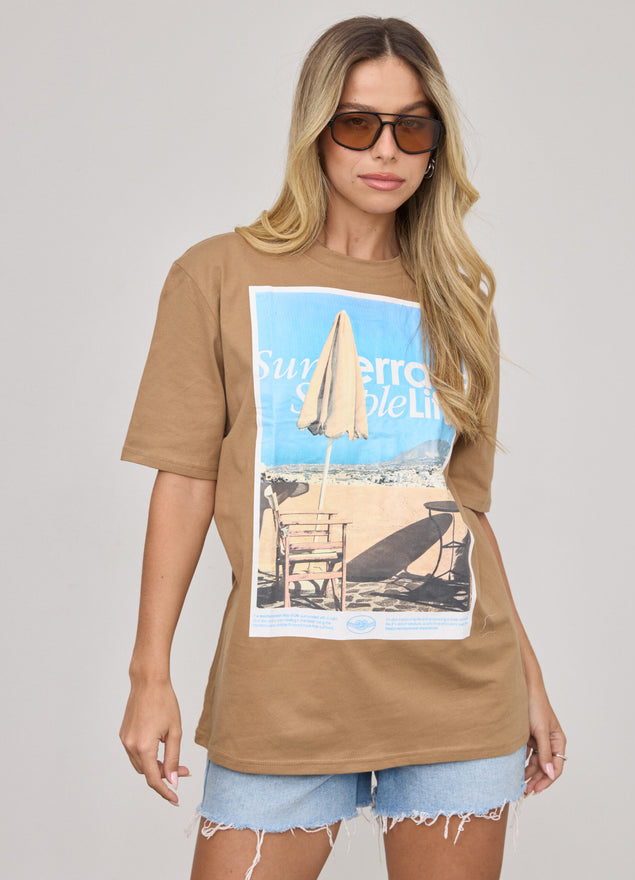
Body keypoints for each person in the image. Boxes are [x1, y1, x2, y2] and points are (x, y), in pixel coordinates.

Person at [119, 16, 566, 880]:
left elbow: (465, 512)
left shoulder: (459, 303)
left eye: (413, 127)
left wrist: (531, 679)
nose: (386, 149)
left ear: (436, 145)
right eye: (358, 123)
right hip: (283, 695)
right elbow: (186, 478)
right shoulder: (219, 274)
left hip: (459, 692)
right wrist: (150, 675)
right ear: (316, 130)